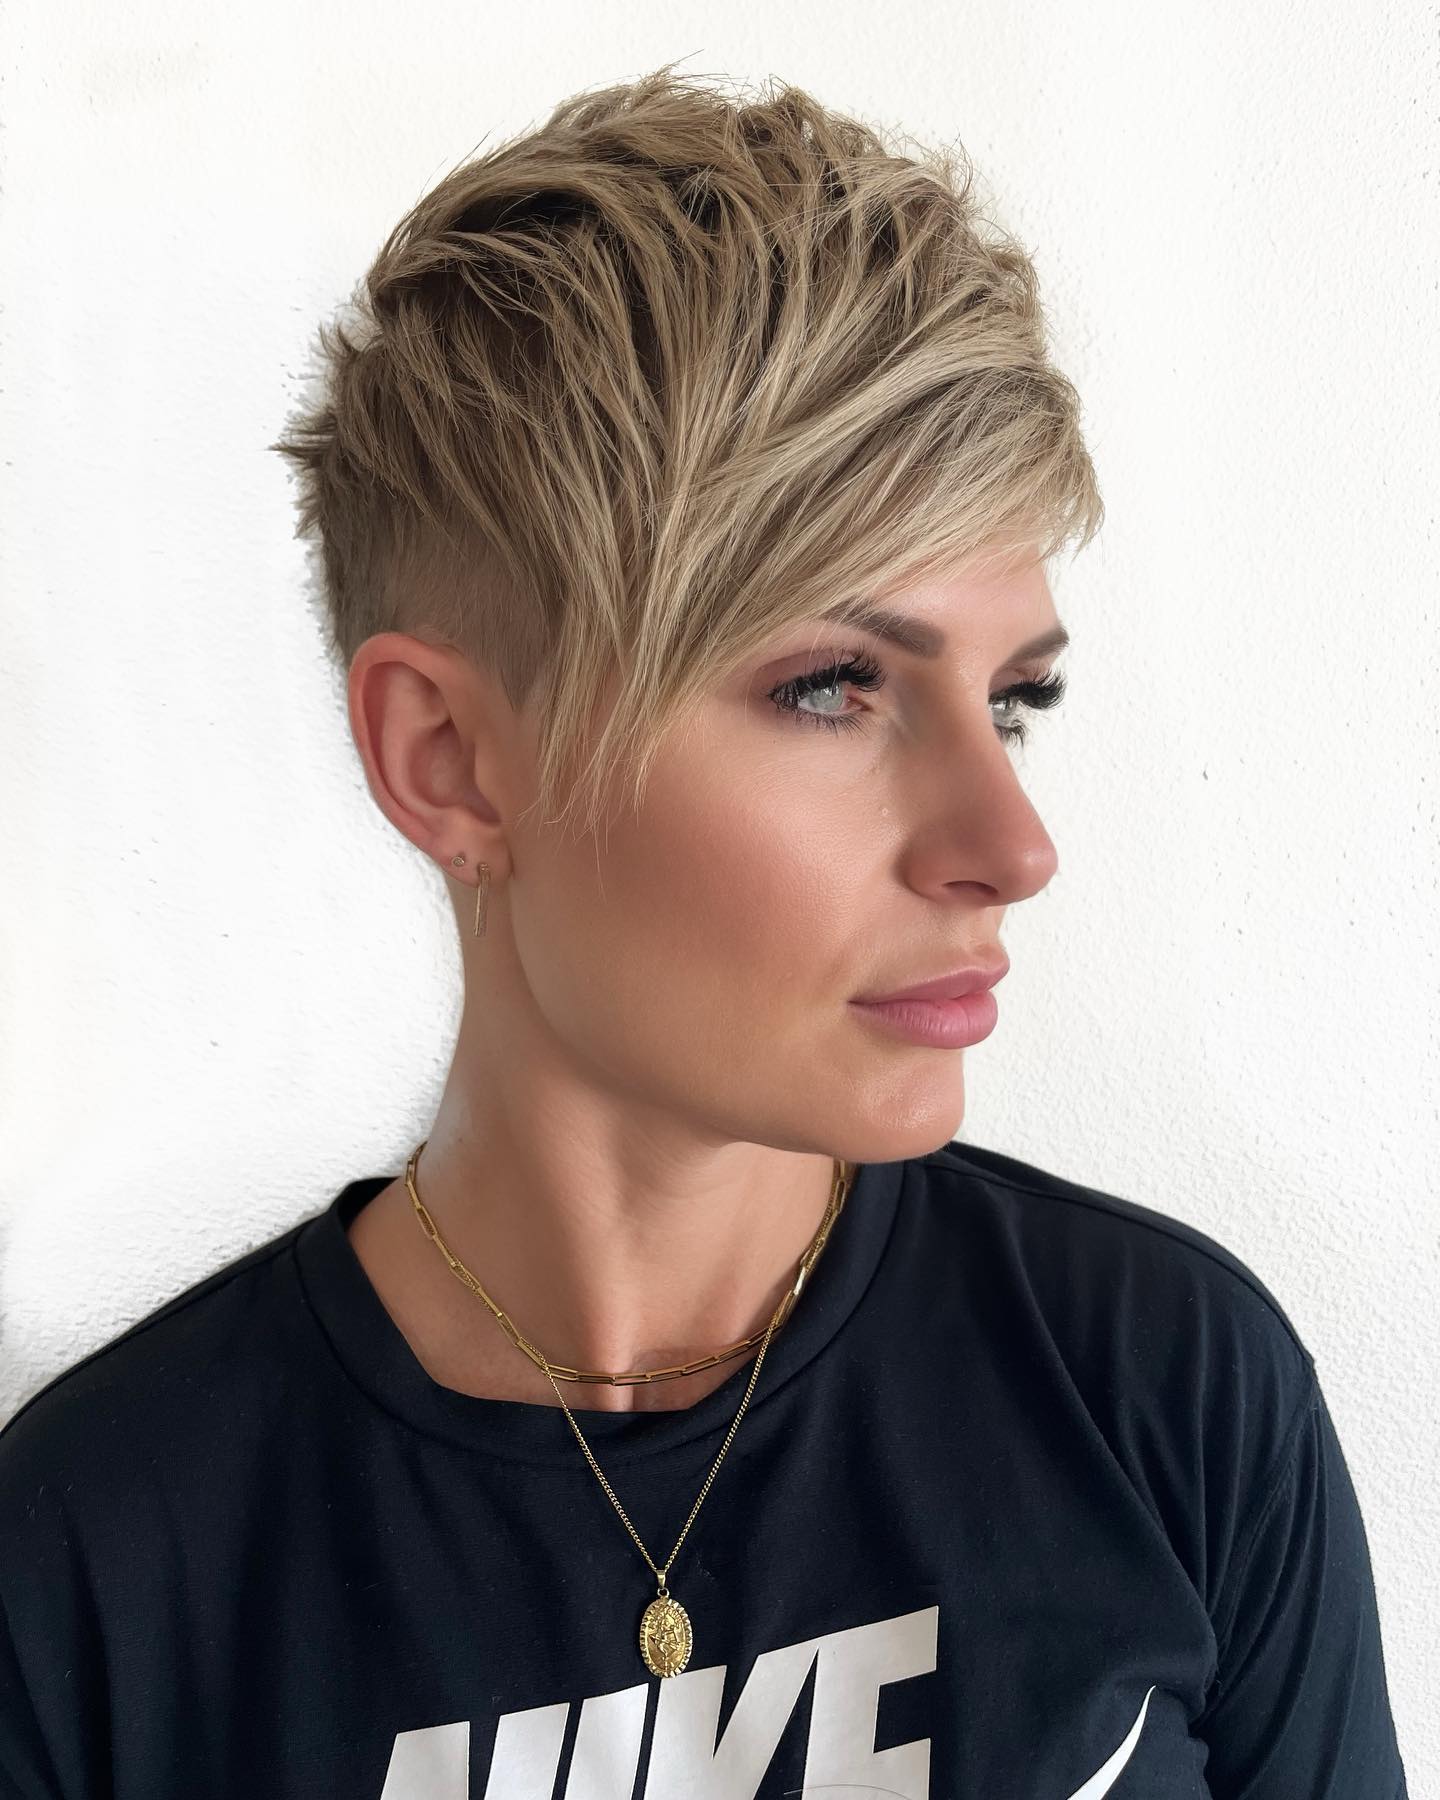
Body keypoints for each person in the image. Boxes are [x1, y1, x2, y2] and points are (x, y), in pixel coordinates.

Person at [0, 65, 1408, 1800]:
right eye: (835, 689)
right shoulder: (94, 1567)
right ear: (451, 760)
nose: (1012, 847)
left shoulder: (1162, 1393)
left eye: (1014, 701)